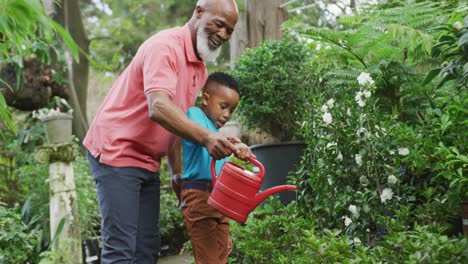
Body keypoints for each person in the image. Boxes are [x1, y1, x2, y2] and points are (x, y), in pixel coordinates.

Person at [83, 1, 243, 263]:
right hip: (117, 148)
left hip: (147, 160)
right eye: (219, 24)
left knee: (146, 249)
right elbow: (159, 107)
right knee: (122, 249)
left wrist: (175, 169)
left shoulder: (199, 68)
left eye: (230, 31)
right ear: (199, 11)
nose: (223, 35)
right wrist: (206, 137)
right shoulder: (165, 46)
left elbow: (176, 120)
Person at [168, 72, 251, 264]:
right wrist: (235, 146)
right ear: (205, 98)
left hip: (219, 201)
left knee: (219, 258)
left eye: (232, 110)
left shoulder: (216, 132)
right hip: (199, 197)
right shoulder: (194, 115)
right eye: (223, 107)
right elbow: (207, 139)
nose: (227, 115)